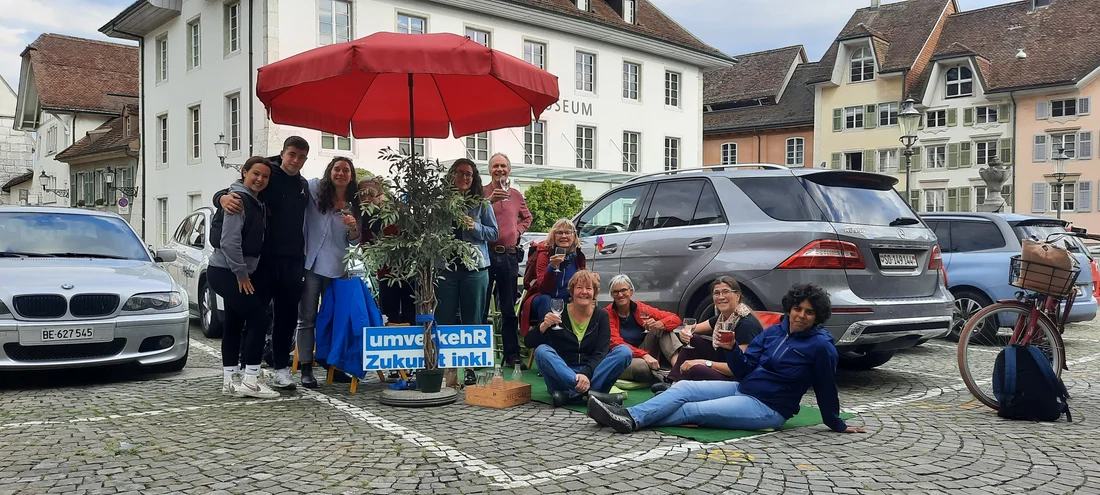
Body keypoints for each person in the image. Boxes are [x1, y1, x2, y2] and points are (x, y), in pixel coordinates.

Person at [587, 283, 867, 435]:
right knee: (683, 388)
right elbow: (744, 368)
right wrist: (732, 349)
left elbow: (826, 387)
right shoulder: (777, 331)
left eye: (809, 312)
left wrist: (836, 422)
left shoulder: (821, 346)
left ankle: (630, 420)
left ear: (817, 316)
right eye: (797, 309)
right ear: (789, 308)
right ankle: (628, 416)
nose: (801, 316)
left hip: (769, 407)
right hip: (744, 387)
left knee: (694, 411)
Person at [214, 136, 311, 390]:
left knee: (287, 317)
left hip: (292, 261)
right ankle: (249, 369)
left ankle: (281, 369)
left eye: (301, 157)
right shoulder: (268, 174)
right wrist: (221, 198)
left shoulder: (303, 185)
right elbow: (237, 190)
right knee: (254, 317)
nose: (296, 161)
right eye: (292, 155)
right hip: (263, 261)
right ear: (283, 153)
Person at [208, 156, 279, 399]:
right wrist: (241, 274)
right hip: (228, 272)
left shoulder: (252, 200)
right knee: (259, 321)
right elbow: (229, 242)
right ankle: (251, 380)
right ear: (244, 173)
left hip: (227, 271)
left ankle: (229, 380)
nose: (260, 179)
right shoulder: (238, 201)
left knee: (234, 324)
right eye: (255, 174)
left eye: (265, 176)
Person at [294, 157, 360, 388]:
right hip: (311, 265)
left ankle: (333, 366)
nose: (341, 173)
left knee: (335, 319)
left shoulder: (355, 202)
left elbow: (354, 242)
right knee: (307, 318)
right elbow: (292, 178)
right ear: (329, 171)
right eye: (337, 169)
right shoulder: (313, 188)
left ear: (351, 176)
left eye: (346, 170)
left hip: (337, 267)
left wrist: (353, 228)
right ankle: (305, 367)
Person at [526, 270, 633, 407]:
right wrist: (544, 325)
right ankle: (589, 394)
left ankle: (571, 396)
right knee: (542, 351)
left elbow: (601, 352)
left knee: (624, 351)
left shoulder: (601, 315)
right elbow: (529, 342)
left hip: (594, 374)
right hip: (562, 375)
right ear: (572, 291)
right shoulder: (557, 312)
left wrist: (586, 375)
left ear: (595, 293)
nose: (584, 292)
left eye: (588, 288)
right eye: (579, 288)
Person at [482, 153, 533, 367]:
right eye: (495, 166)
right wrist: (488, 201)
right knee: (481, 307)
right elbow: (472, 213)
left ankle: (512, 355)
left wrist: (516, 230)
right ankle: (481, 354)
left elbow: (527, 217)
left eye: (503, 166)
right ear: (490, 170)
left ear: (509, 170)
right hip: (485, 255)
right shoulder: (481, 192)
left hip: (509, 256)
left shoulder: (516, 195)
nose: (500, 169)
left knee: (508, 309)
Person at [436, 158, 498, 328]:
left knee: (473, 322)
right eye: (460, 172)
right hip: (445, 269)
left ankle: (473, 354)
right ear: (452, 175)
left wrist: (474, 226)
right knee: (443, 319)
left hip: (475, 271)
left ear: (474, 178)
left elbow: (493, 233)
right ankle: (443, 354)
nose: (464, 177)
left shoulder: (482, 204)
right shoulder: (440, 204)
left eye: (468, 174)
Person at [666, 276, 763, 385]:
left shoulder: (746, 325)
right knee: (695, 340)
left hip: (738, 377)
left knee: (696, 369)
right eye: (717, 293)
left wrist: (704, 363)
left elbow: (739, 368)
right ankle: (674, 382)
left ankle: (680, 386)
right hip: (724, 362)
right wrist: (686, 332)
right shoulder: (723, 318)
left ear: (737, 295)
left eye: (726, 292)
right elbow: (693, 328)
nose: (721, 297)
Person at [358, 177, 416, 325]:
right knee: (389, 316)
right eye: (362, 195)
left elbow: (412, 238)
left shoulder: (397, 211)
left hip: (409, 272)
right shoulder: (363, 217)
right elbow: (364, 244)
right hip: (384, 273)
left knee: (411, 314)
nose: (366, 198)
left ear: (381, 194)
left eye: (370, 194)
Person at [606, 274, 683, 384]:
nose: (620, 295)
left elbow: (675, 318)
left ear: (631, 291)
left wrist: (660, 323)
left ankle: (678, 372)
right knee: (643, 368)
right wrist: (644, 355)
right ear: (611, 295)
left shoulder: (640, 308)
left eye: (624, 290)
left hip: (644, 352)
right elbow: (616, 343)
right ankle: (665, 380)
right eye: (615, 292)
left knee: (663, 329)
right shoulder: (607, 314)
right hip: (623, 358)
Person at [518, 218, 586, 336]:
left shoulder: (577, 256)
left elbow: (581, 284)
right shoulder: (544, 253)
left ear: (574, 235)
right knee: (546, 300)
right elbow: (543, 288)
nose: (563, 236)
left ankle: (577, 344)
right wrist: (552, 267)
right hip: (541, 298)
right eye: (559, 233)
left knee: (583, 302)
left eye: (567, 232)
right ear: (553, 236)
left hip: (566, 300)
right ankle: (547, 341)